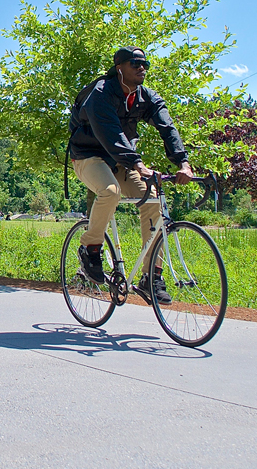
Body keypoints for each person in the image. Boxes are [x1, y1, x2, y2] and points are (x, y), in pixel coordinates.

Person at [68, 47, 193, 305]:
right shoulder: (101, 94)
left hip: (120, 161)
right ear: (119, 68)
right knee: (110, 191)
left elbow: (167, 127)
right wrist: (137, 163)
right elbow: (111, 133)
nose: (141, 67)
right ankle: (90, 248)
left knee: (153, 200)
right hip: (88, 157)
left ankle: (151, 276)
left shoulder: (145, 97)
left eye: (145, 63)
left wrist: (183, 162)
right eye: (135, 63)